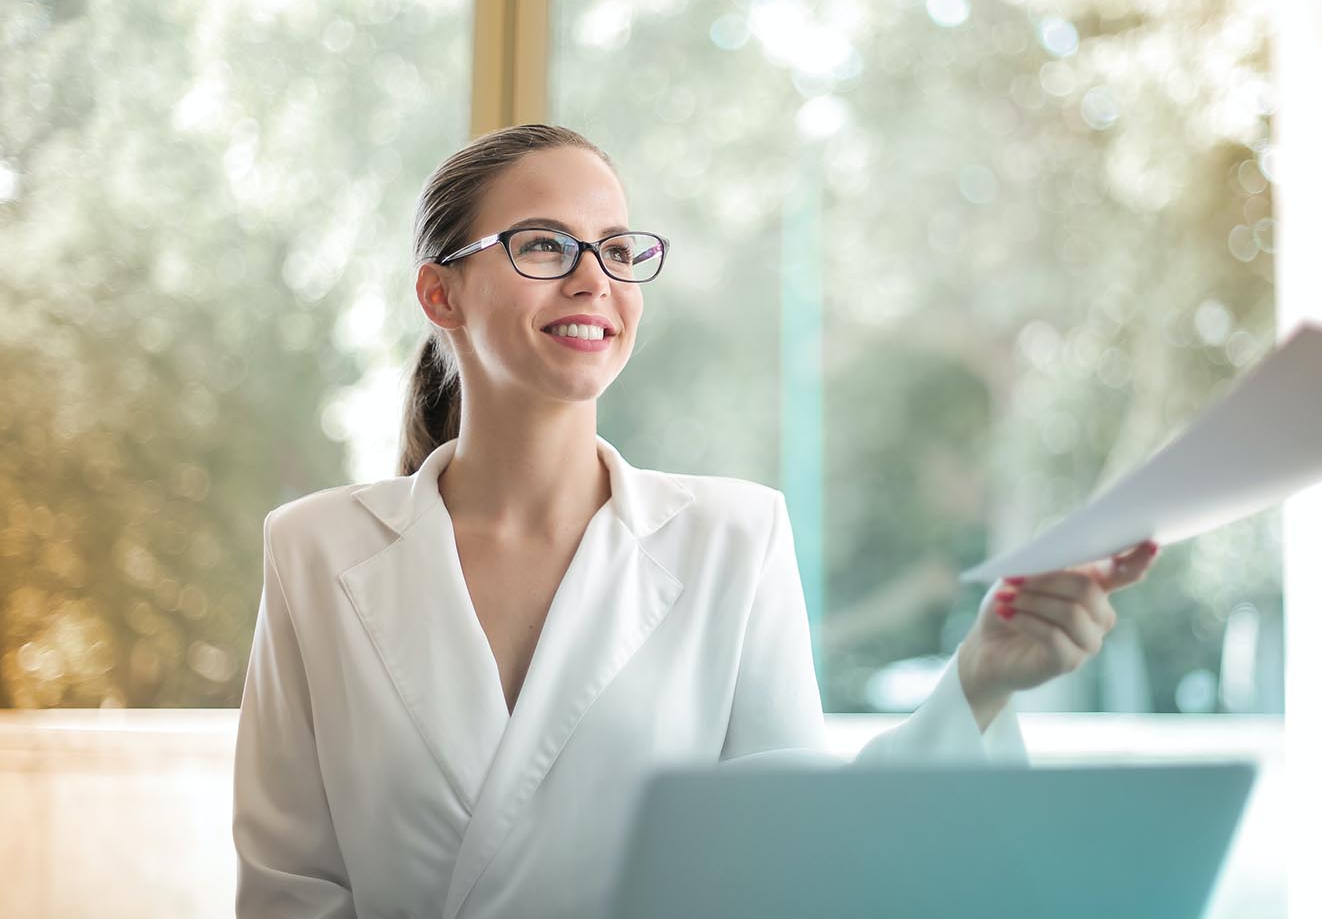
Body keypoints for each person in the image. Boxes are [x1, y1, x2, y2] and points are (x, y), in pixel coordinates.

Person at [231, 123, 1158, 919]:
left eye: (618, 248)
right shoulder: (316, 551)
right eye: (545, 246)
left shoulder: (735, 539)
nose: (594, 279)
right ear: (442, 294)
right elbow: (290, 889)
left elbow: (797, 863)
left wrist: (981, 683)